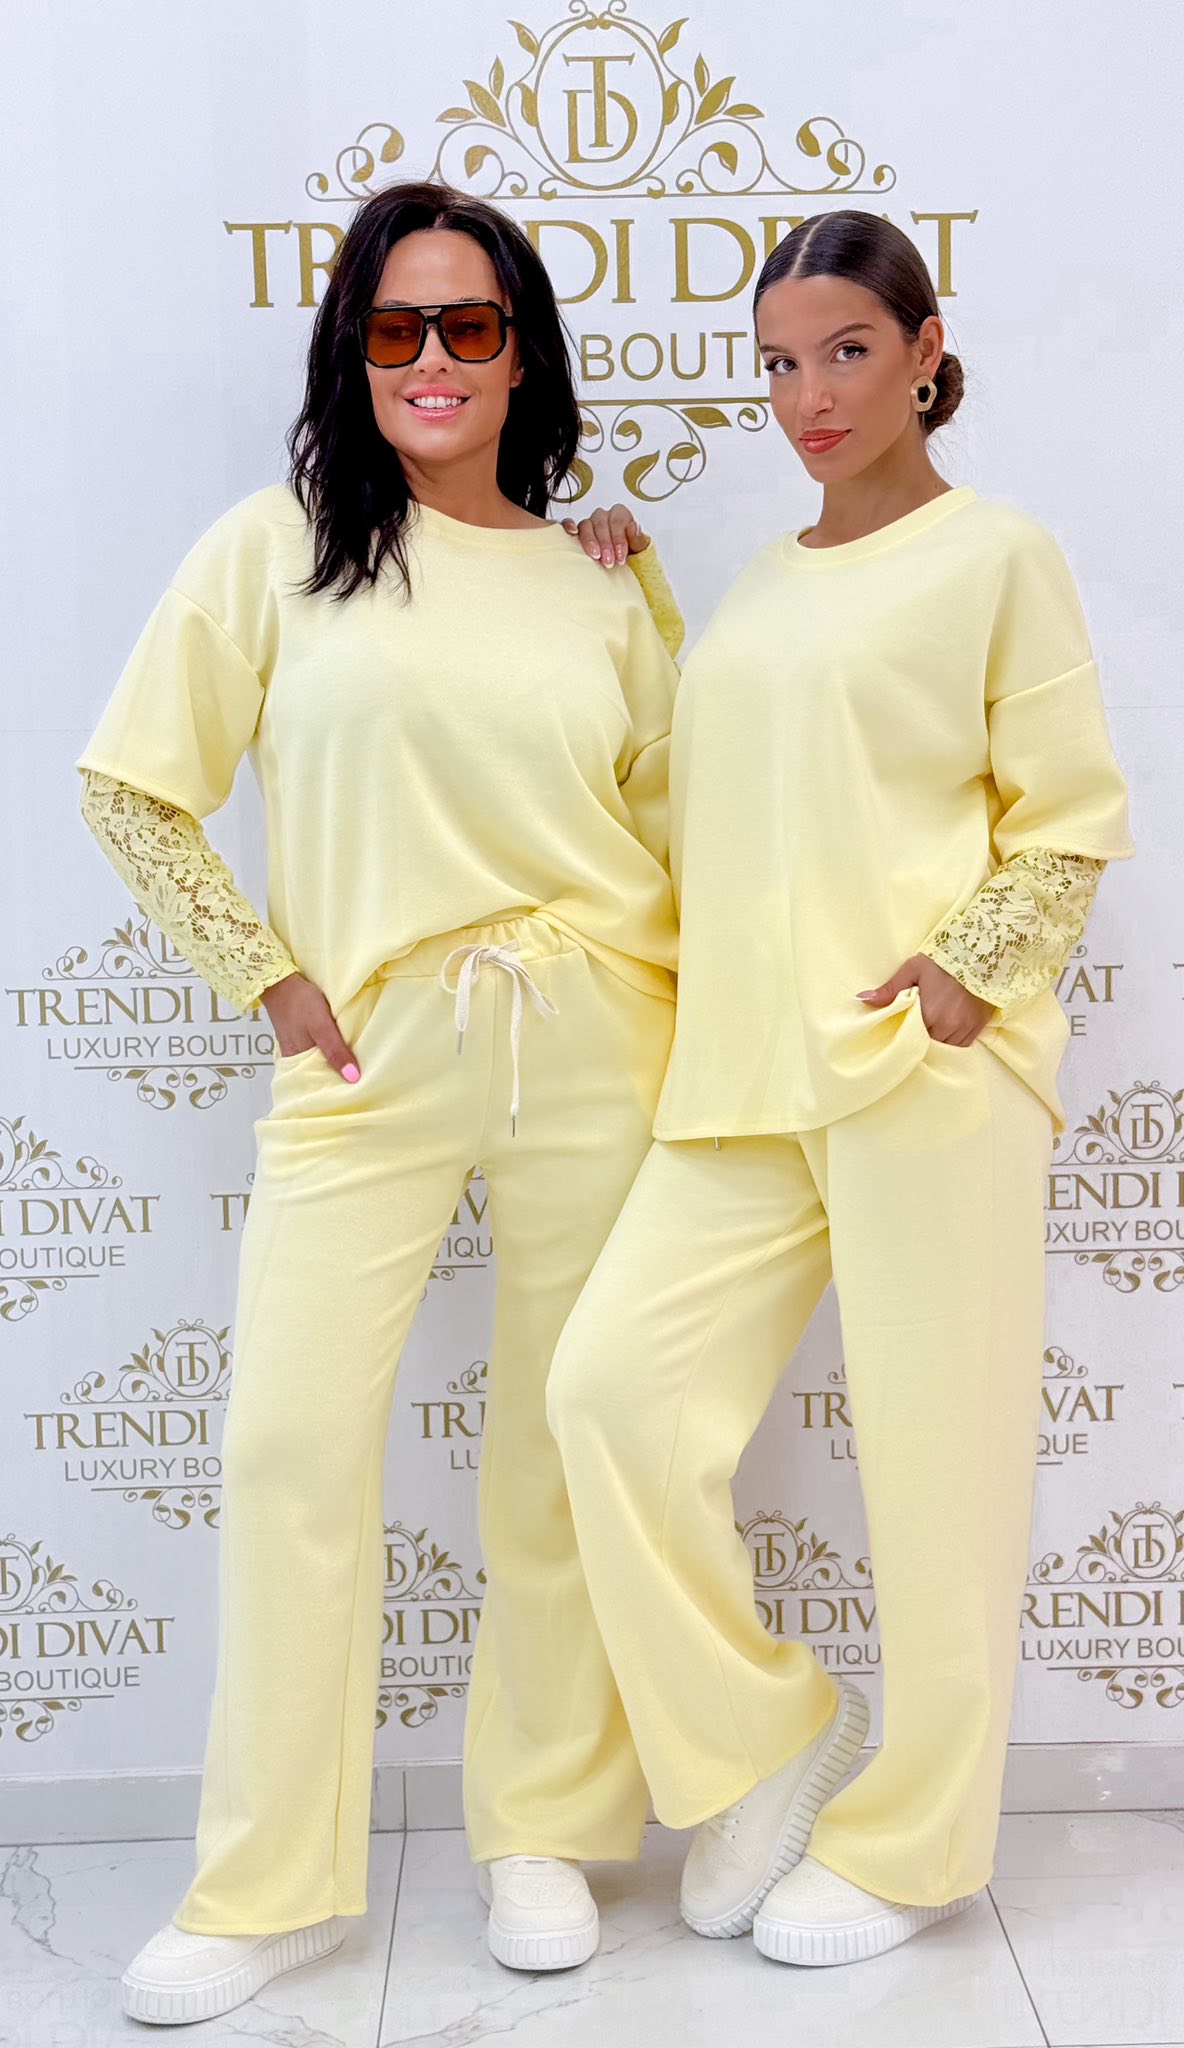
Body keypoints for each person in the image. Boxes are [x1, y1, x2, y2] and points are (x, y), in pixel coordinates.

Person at [76, 179, 683, 2024]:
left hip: (595, 1029)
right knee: (289, 1450)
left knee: (558, 1444)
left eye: (470, 326)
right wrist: (269, 976)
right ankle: (267, 1885)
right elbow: (133, 785)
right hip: (366, 1048)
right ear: (354, 349)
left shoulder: (603, 578)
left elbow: (681, 823)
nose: (432, 357)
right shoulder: (276, 551)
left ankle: (541, 1830)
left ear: (521, 358)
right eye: (396, 326)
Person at [550, 209, 1133, 1969]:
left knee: (943, 1481)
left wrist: (964, 977)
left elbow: (1069, 812)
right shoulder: (761, 580)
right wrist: (630, 604)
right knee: (611, 1399)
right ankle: (774, 1737)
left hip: (917, 1072)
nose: (811, 395)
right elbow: (705, 793)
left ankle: (916, 1850)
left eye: (849, 353)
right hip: (742, 1075)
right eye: (783, 364)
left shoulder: (997, 554)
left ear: (925, 351)